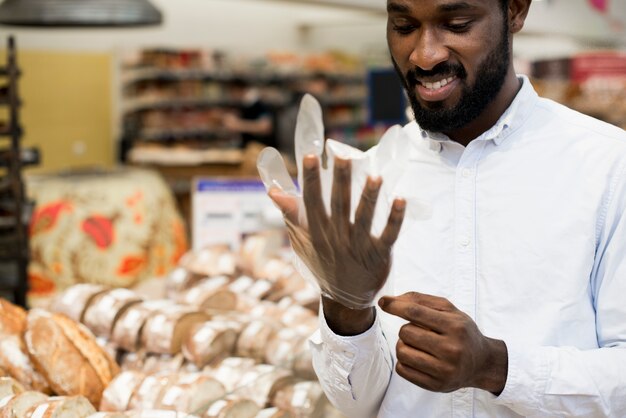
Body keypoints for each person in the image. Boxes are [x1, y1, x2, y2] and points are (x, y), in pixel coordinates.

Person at [265, 0, 626, 416]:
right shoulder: (373, 177)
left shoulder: (607, 168)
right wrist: (345, 307)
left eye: (456, 25)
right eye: (403, 26)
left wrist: (496, 368)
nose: (424, 54)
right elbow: (357, 403)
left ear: (515, 11)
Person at [223, 77, 276, 149]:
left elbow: (265, 127)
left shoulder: (259, 103)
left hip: (261, 148)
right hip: (249, 147)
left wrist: (237, 125)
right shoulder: (244, 104)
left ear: (238, 89)